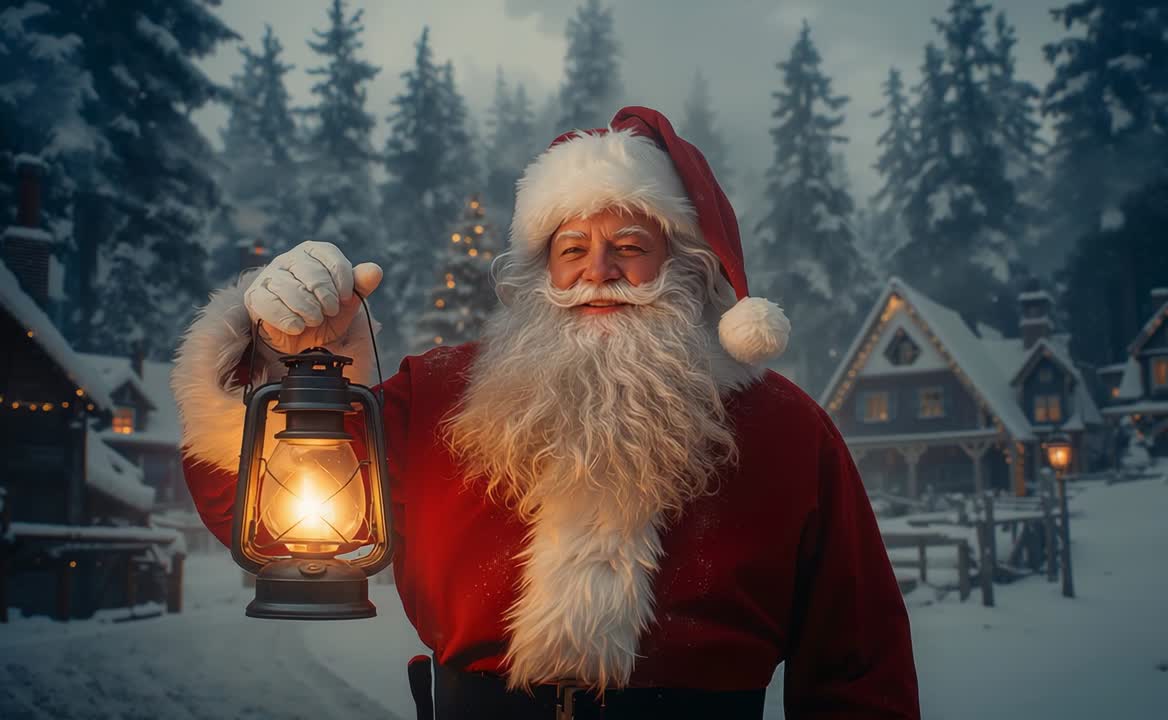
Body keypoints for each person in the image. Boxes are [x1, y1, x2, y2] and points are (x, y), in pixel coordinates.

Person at [172, 106, 919, 719]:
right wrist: (285, 362)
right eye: (572, 248)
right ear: (540, 271)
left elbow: (858, 667)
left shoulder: (784, 431)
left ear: (687, 266)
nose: (598, 269)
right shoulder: (441, 396)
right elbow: (262, 515)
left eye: (630, 243)